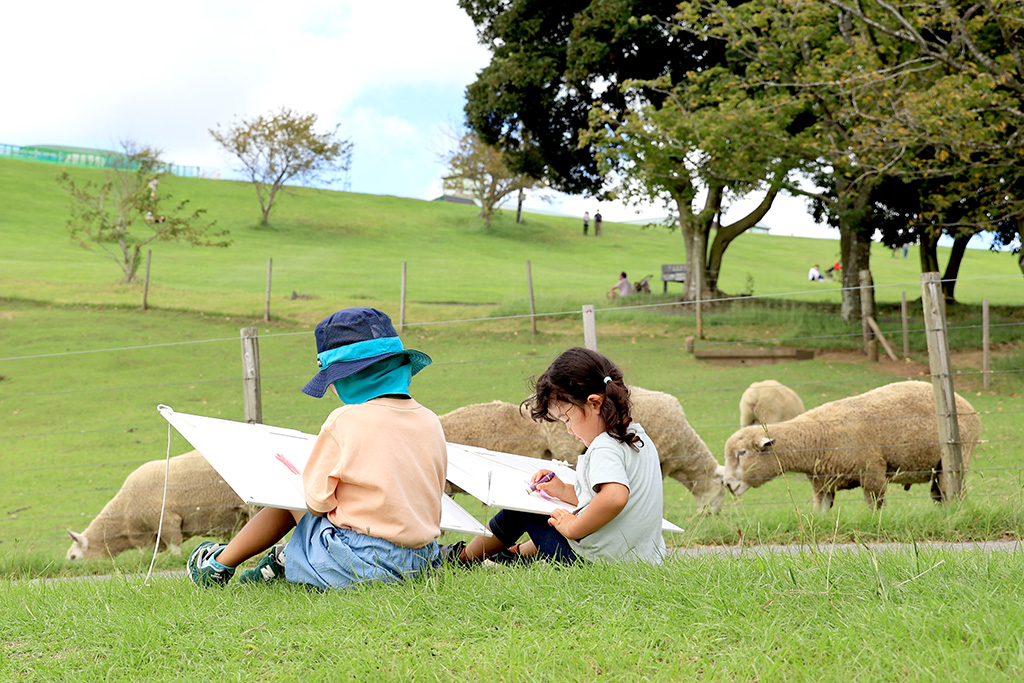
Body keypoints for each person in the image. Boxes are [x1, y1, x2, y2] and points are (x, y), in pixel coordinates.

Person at [187, 307, 447, 590]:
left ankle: (218, 565)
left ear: (346, 377)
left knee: (293, 494)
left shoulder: (345, 420)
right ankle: (282, 561)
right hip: (421, 560)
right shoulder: (429, 419)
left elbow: (316, 501)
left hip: (362, 562)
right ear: (398, 367)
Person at [441, 347, 667, 566]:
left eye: (567, 419)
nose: (569, 430)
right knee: (552, 514)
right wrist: (561, 490)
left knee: (520, 508)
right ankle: (512, 554)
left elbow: (615, 497)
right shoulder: (637, 437)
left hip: (593, 562)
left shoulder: (604, 448)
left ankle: (462, 558)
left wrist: (573, 528)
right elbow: (599, 499)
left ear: (595, 403)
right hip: (642, 559)